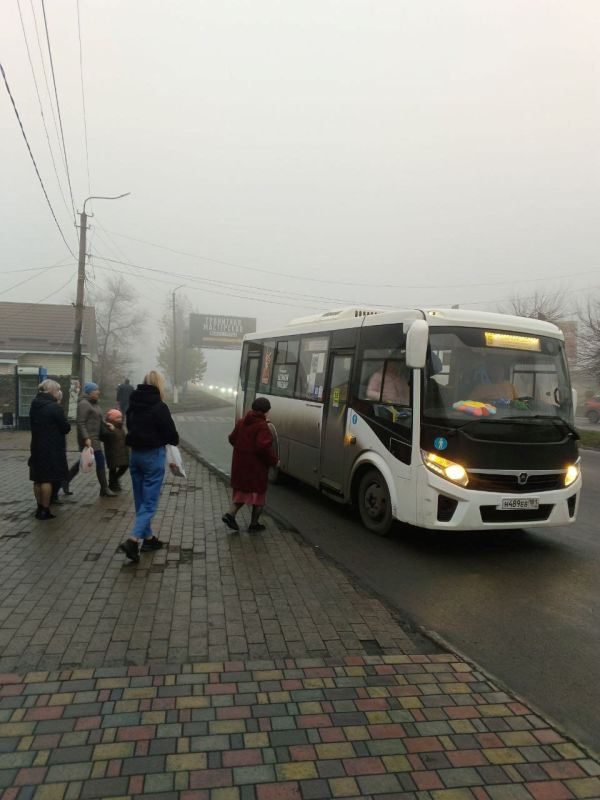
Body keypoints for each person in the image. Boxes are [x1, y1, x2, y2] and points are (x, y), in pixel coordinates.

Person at [117, 370, 179, 562]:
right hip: (153, 455)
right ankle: (133, 540)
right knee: (150, 502)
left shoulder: (133, 404)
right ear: (159, 385)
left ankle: (149, 538)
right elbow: (171, 435)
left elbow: (130, 426)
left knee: (141, 500)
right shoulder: (160, 407)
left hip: (135, 455)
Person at [222, 396, 278, 532]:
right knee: (258, 496)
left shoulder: (242, 422)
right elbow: (263, 448)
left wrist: (242, 448)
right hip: (255, 468)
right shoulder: (263, 426)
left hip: (240, 465)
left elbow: (232, 438)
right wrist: (275, 461)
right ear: (265, 412)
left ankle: (230, 514)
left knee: (242, 492)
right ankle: (253, 524)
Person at [28, 379, 71, 520]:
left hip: (36, 446)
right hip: (51, 448)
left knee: (38, 479)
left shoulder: (34, 405)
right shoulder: (55, 407)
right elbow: (66, 428)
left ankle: (39, 507)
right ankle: (45, 510)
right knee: (47, 479)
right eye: (57, 390)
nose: (58, 392)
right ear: (52, 391)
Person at [65, 382, 116, 497]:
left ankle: (65, 480)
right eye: (96, 390)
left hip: (95, 437)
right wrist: (86, 438)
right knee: (99, 460)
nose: (98, 392)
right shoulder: (84, 404)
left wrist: (106, 424)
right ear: (89, 392)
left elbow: (99, 418)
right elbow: (80, 422)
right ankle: (104, 488)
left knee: (83, 462)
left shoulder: (95, 403)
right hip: (88, 438)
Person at [103, 408, 130, 492]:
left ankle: (113, 481)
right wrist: (113, 430)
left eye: (120, 417)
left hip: (121, 452)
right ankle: (113, 484)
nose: (120, 419)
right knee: (113, 469)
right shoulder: (108, 426)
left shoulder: (120, 426)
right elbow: (113, 436)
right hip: (112, 452)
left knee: (124, 466)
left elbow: (123, 437)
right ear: (112, 418)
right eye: (117, 417)